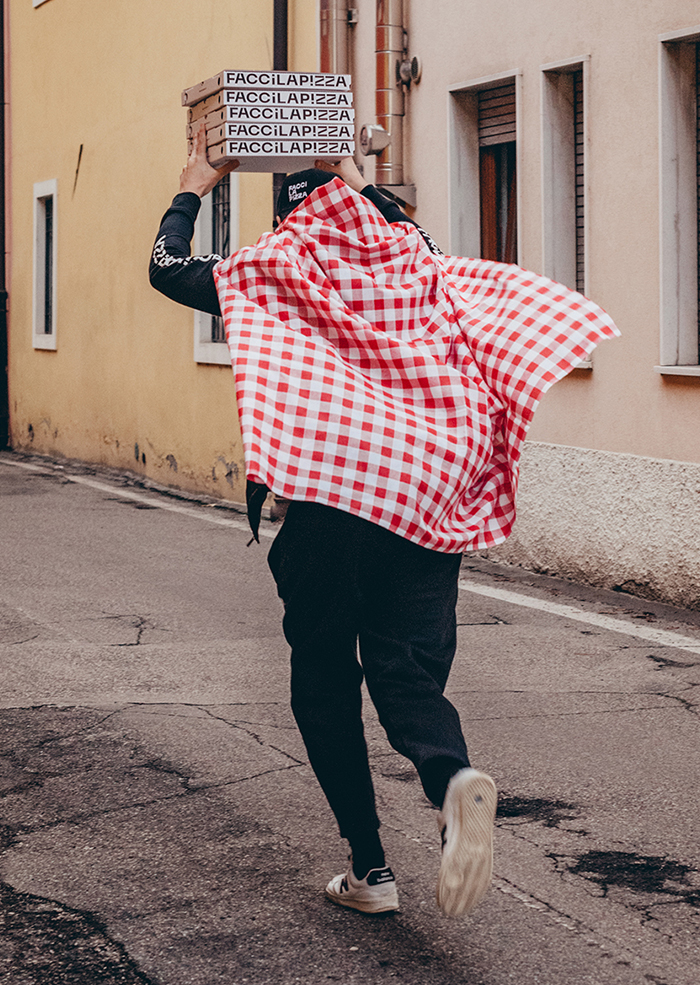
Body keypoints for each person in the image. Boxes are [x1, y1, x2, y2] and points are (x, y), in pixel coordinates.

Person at [150, 126, 617, 917]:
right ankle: (450, 776)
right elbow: (402, 222)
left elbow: (164, 270)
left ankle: (371, 869)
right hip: (427, 489)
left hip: (331, 497)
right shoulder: (415, 255)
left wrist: (197, 181)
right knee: (405, 666)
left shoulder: (273, 263)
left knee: (324, 678)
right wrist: (358, 176)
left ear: (289, 211)